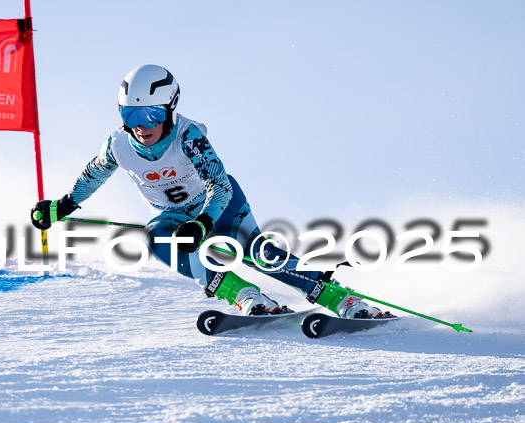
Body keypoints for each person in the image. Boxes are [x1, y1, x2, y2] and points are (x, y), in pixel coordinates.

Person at [31, 64, 391, 319]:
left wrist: (204, 222)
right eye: (131, 117)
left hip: (219, 205)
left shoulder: (189, 137)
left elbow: (217, 185)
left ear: (171, 109)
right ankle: (245, 295)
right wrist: (64, 205)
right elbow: (95, 173)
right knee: (157, 239)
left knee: (257, 253)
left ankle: (340, 298)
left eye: (152, 115)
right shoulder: (119, 144)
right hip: (174, 216)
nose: (142, 128)